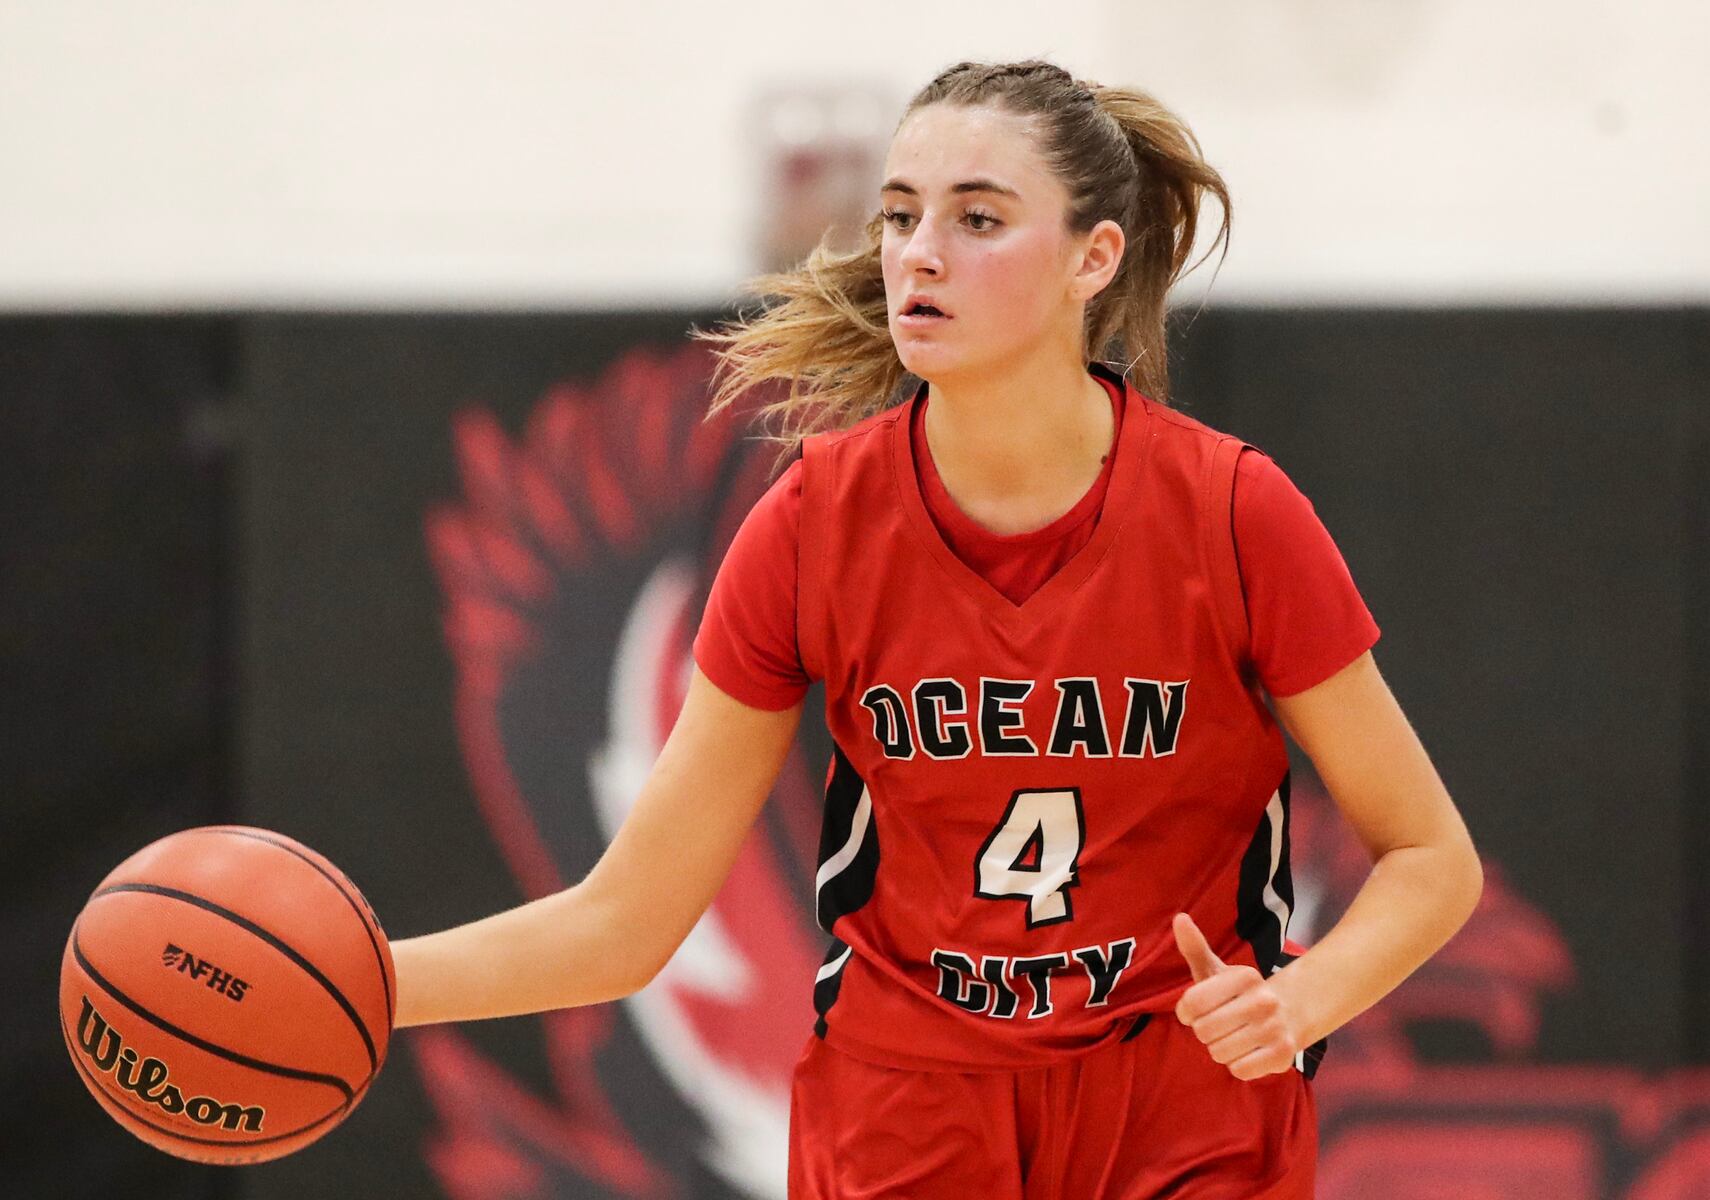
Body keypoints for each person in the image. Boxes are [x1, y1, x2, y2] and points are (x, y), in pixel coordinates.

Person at [393, 58, 1483, 1199]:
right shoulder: (814, 525)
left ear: (1092, 259)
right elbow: (627, 921)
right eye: (901, 214)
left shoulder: (1231, 513)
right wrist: (365, 985)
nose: (919, 251)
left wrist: (1301, 1001)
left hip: (1180, 1104)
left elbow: (1429, 857)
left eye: (978, 219)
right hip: (908, 1112)